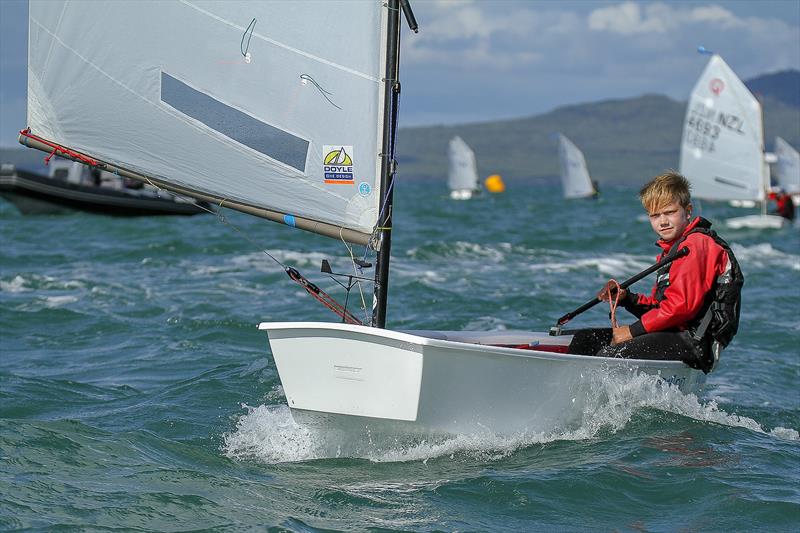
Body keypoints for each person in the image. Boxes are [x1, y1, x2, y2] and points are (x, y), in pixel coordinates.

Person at [567, 171, 743, 373]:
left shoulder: (696, 245)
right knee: (585, 340)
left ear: (688, 211)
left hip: (696, 342)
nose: (663, 221)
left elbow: (681, 307)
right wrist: (626, 299)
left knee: (609, 358)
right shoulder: (673, 250)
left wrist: (631, 332)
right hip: (675, 333)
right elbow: (662, 309)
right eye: (655, 215)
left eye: (670, 212)